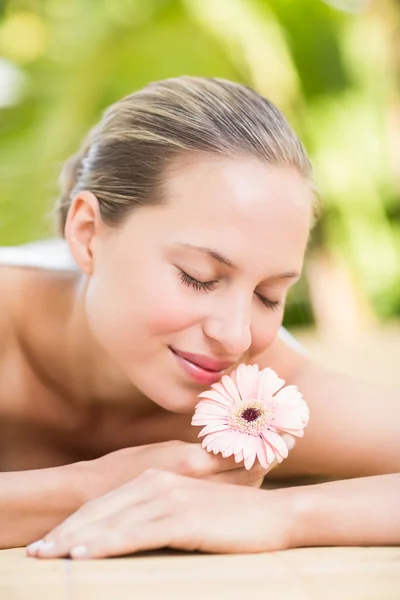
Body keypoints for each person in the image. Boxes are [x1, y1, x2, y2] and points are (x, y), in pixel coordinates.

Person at [0, 77, 398, 559]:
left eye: (270, 297)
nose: (233, 337)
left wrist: (284, 515)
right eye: (198, 277)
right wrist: (95, 485)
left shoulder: (258, 403)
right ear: (86, 234)